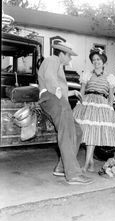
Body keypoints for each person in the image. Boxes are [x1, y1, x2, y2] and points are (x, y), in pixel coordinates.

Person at [38, 42, 93, 184]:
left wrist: (71, 92)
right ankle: (73, 174)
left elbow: (55, 84)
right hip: (54, 99)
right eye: (69, 56)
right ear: (61, 54)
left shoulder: (57, 64)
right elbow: (50, 80)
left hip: (56, 98)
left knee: (77, 131)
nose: (70, 59)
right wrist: (59, 95)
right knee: (67, 134)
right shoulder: (52, 59)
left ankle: (62, 167)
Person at [73, 47, 115, 172]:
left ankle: (87, 164)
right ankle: (91, 162)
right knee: (87, 133)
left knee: (93, 134)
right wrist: (80, 103)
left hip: (101, 106)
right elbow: (82, 91)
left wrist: (110, 107)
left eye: (98, 59)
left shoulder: (109, 77)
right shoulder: (87, 75)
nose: (96, 62)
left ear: (103, 61)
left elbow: (110, 95)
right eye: (94, 60)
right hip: (88, 103)